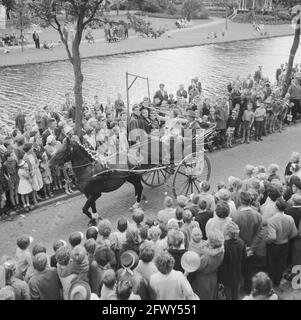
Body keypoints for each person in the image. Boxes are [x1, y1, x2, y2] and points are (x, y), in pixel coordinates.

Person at [231, 191, 263, 294]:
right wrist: (252, 248)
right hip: (252, 249)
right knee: (250, 270)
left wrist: (244, 247)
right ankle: (248, 289)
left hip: (241, 248)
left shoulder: (235, 216)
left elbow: (235, 234)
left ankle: (240, 288)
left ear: (241, 201)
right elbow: (259, 233)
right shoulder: (257, 215)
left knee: (240, 268)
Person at [266, 198, 298, 287]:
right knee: (281, 264)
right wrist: (287, 237)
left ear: (276, 207)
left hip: (274, 245)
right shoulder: (290, 218)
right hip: (285, 244)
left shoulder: (271, 220)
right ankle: (277, 282)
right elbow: (294, 233)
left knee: (272, 264)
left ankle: (271, 283)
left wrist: (266, 241)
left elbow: (272, 237)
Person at [187, 230, 225, 300]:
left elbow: (196, 267)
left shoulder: (206, 258)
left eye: (208, 239)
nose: (207, 240)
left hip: (203, 280)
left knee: (203, 296)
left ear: (212, 243)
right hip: (213, 277)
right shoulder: (222, 250)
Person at [218, 221, 246, 300]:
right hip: (237, 273)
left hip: (226, 275)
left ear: (227, 233)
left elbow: (222, 262)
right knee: (235, 294)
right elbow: (244, 258)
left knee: (227, 295)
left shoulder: (224, 245)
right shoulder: (242, 242)